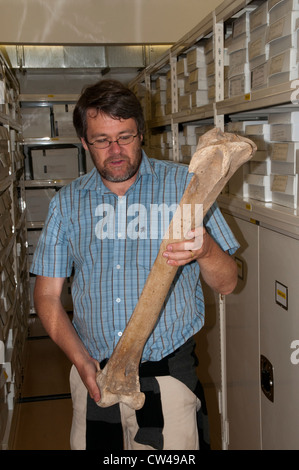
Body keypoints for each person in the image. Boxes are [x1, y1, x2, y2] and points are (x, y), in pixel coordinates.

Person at [30, 79, 239, 451]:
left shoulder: (186, 188)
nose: (115, 151)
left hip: (167, 378)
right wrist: (80, 362)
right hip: (93, 373)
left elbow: (227, 283)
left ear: (141, 134)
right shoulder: (68, 203)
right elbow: (46, 295)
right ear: (84, 142)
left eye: (125, 137)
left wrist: (205, 250)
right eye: (101, 139)